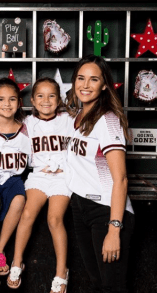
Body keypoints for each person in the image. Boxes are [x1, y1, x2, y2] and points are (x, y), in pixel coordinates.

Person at [65, 54, 135, 293]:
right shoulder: (78, 116)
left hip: (106, 210)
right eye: (81, 78)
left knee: (112, 286)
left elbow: (121, 179)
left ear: (104, 84)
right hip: (81, 205)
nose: (85, 85)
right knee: (96, 282)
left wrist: (114, 229)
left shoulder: (107, 120)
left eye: (93, 79)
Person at [7, 77, 73, 293]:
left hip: (63, 176)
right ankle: (17, 262)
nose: (46, 100)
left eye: (52, 95)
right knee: (27, 214)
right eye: (41, 96)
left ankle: (61, 271)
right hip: (39, 175)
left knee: (54, 219)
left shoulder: (69, 120)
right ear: (33, 100)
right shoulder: (27, 123)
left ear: (60, 99)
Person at [0, 78, 30, 289]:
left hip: (14, 178)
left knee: (19, 201)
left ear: (19, 102)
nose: (6, 104)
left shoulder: (28, 129)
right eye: (0, 99)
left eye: (12, 99)